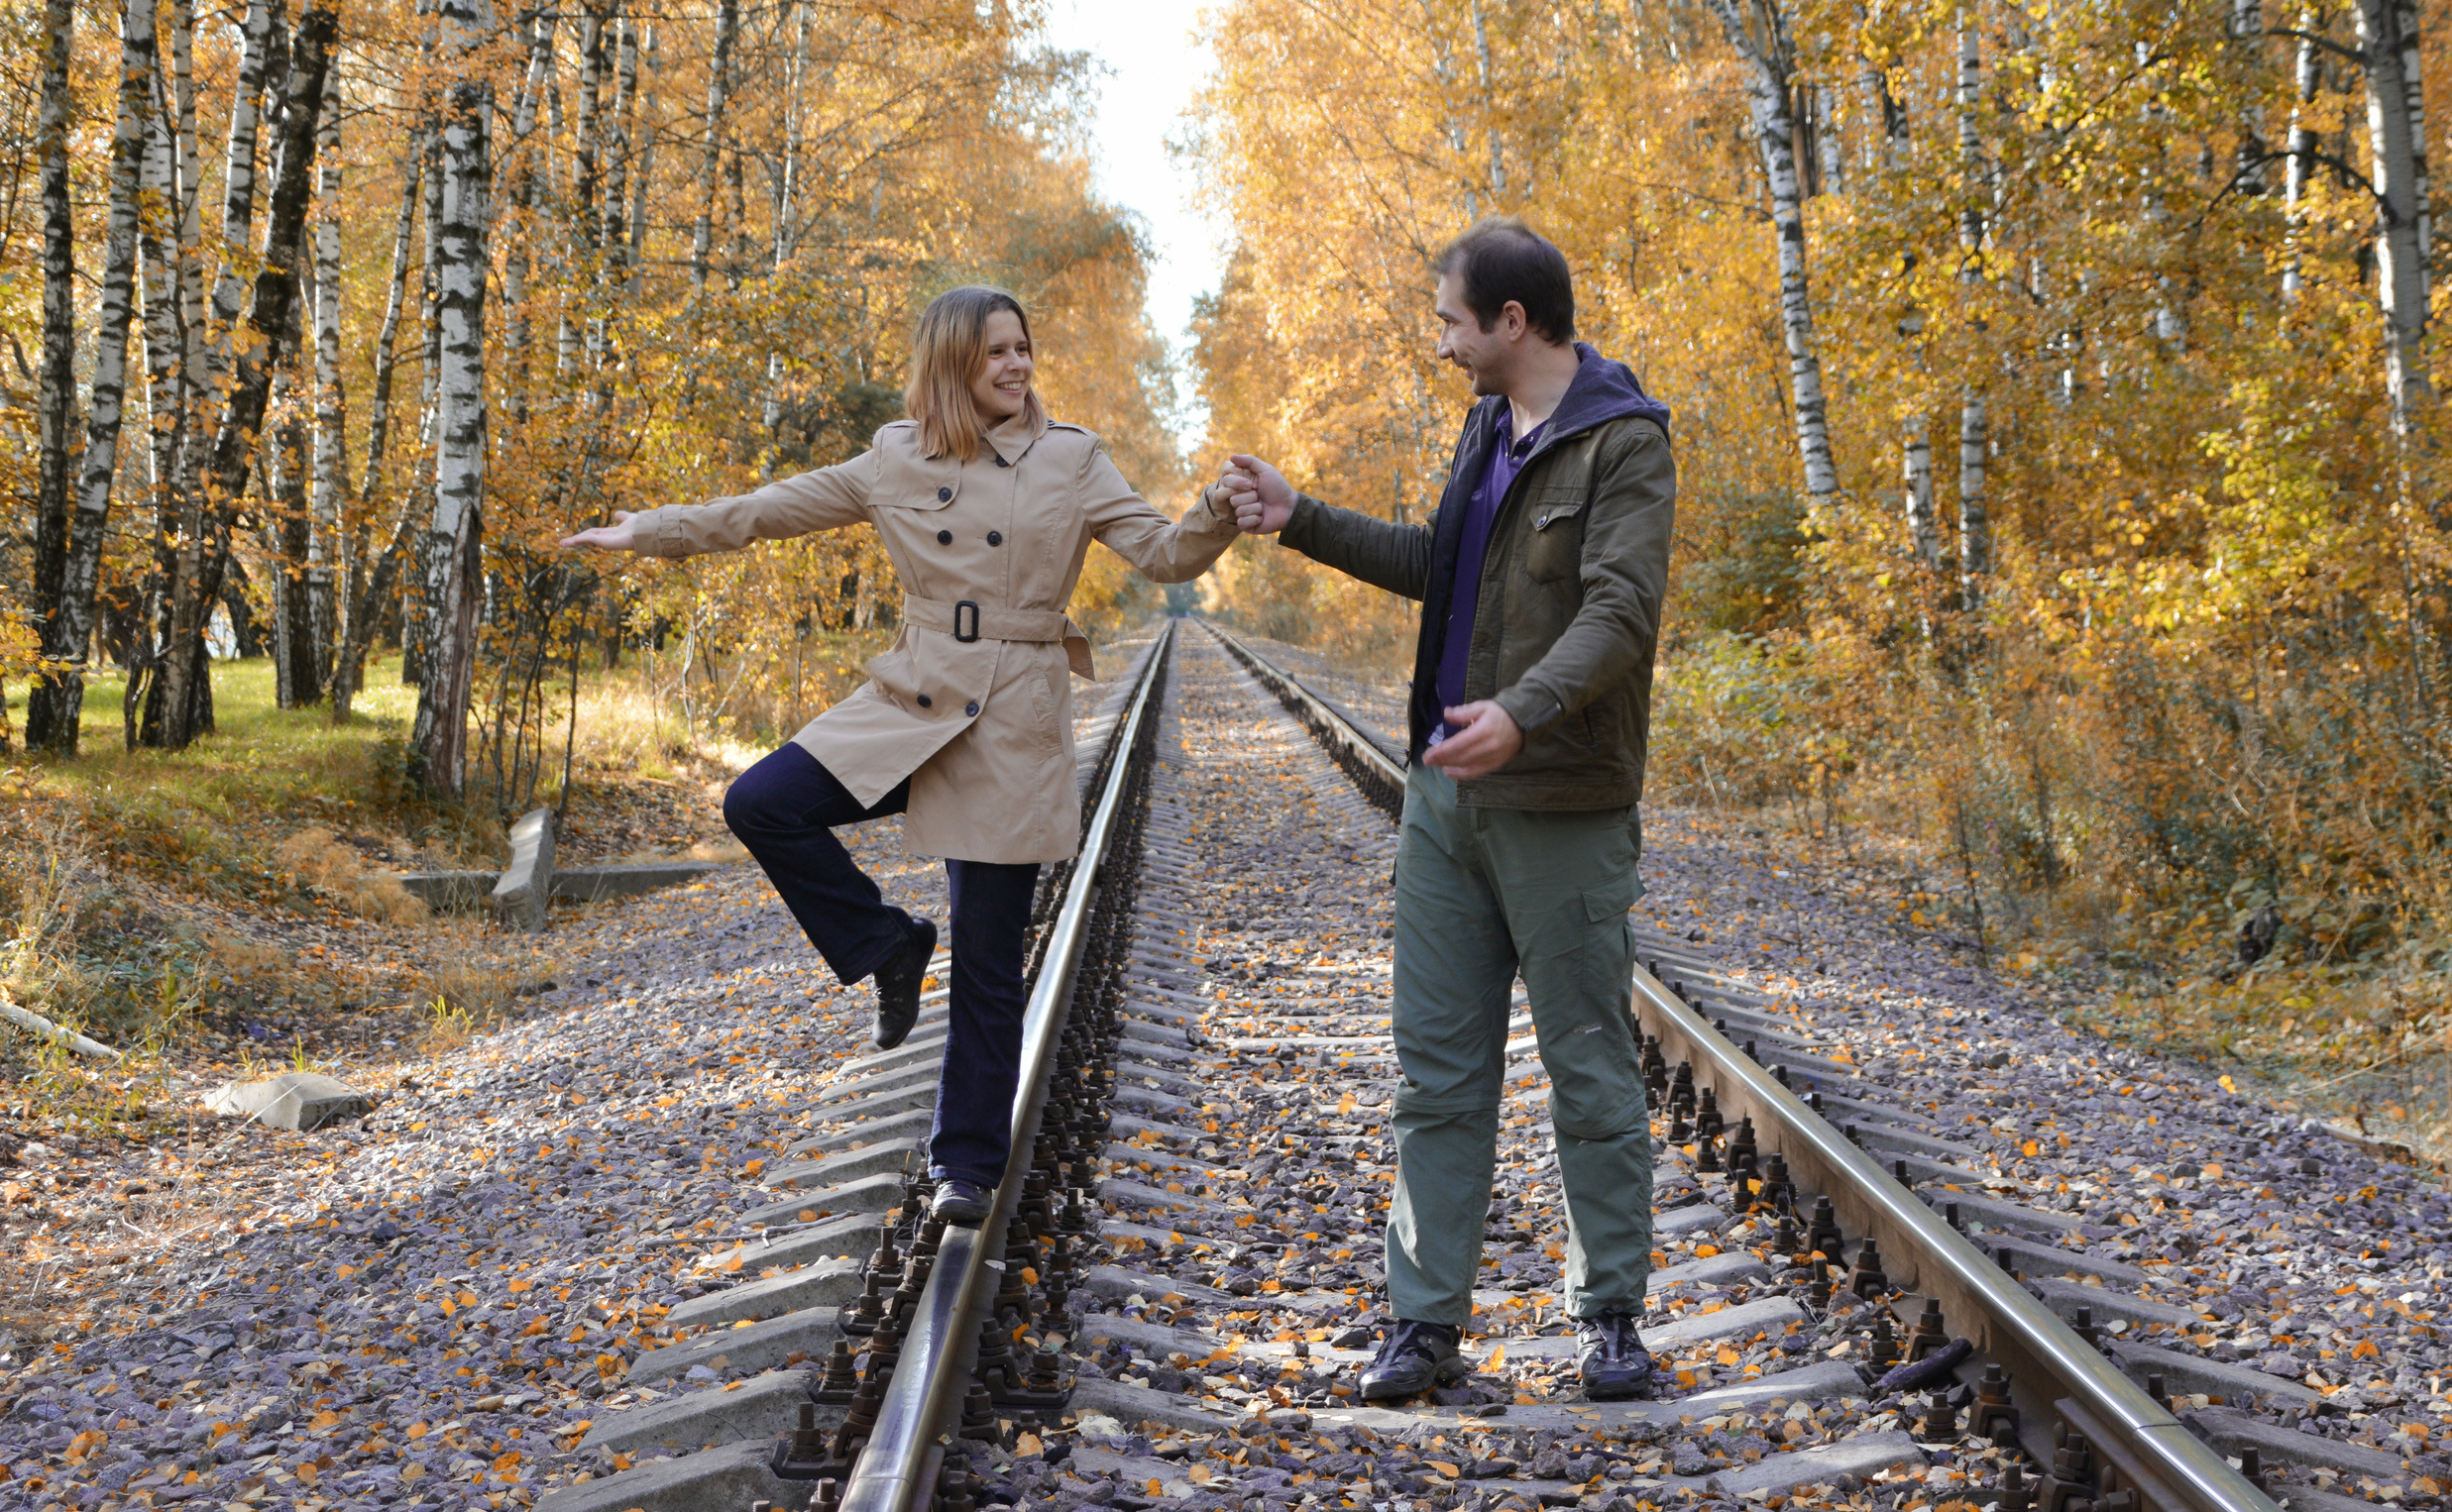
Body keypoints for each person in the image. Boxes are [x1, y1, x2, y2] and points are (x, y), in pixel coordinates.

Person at [564, 285, 1242, 1228]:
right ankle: (888, 946)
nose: (1016, 366)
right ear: (952, 366)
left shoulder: (1072, 458)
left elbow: (1165, 555)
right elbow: (769, 510)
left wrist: (1215, 509)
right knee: (761, 803)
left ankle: (965, 1163)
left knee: (991, 956)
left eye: (1022, 348)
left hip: (1011, 714)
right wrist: (651, 530)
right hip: (914, 698)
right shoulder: (895, 455)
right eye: (994, 353)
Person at [1220, 219, 1677, 1401]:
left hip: (1560, 805)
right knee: (1433, 1074)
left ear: (1511, 324)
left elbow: (1621, 612)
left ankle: (1611, 1316)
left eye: (1449, 322)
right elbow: (1438, 562)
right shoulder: (1486, 427)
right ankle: (1424, 1322)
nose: (1440, 344)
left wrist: (1521, 711)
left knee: (1586, 1065)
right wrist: (1299, 513)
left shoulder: (1624, 444)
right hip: (1443, 803)